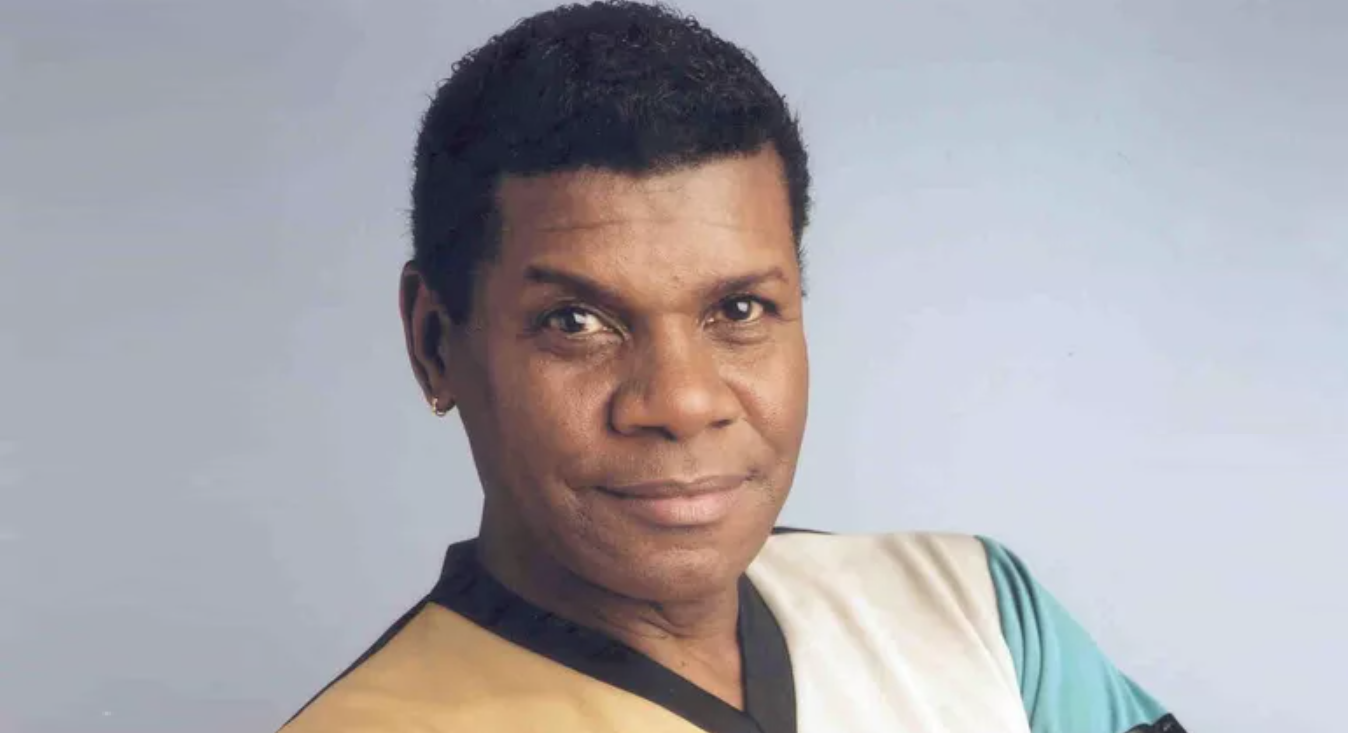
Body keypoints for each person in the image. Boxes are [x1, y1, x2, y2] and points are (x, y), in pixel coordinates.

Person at [280, 3, 1185, 732]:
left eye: (740, 310)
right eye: (576, 321)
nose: (682, 400)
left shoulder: (981, 615)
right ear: (435, 343)